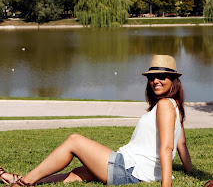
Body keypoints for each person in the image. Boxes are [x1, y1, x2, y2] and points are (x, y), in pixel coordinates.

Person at [0, 55, 192, 187]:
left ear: (173, 79)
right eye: (151, 77)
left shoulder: (165, 105)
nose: (155, 81)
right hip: (131, 168)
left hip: (128, 169)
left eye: (161, 76)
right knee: (78, 173)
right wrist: (189, 172)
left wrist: (166, 185)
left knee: (74, 140)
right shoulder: (174, 106)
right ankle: (23, 179)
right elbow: (181, 144)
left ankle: (23, 184)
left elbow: (168, 148)